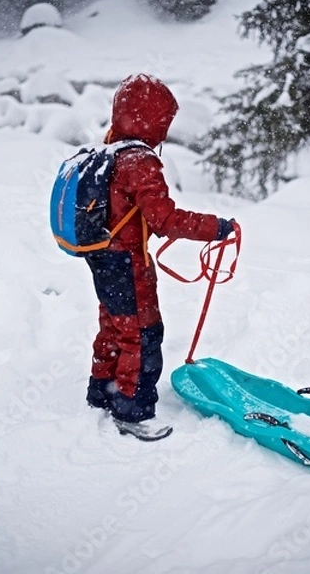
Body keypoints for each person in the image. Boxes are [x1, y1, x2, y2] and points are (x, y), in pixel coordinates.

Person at [85, 73, 235, 440]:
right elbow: (164, 219)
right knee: (143, 332)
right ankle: (132, 411)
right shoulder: (140, 161)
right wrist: (215, 227)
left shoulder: (108, 151)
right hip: (127, 261)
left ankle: (101, 391)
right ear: (153, 119)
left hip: (101, 255)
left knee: (114, 325)